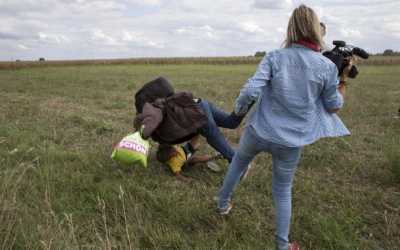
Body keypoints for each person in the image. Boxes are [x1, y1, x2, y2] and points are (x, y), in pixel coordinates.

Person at [217, 5, 352, 250]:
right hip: (291, 141)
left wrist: (238, 111)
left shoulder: (274, 57)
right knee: (282, 189)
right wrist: (342, 80)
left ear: (291, 28)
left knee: (238, 163)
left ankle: (222, 204)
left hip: (258, 131)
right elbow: (334, 106)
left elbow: (250, 90)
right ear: (315, 30)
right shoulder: (326, 67)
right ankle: (282, 244)